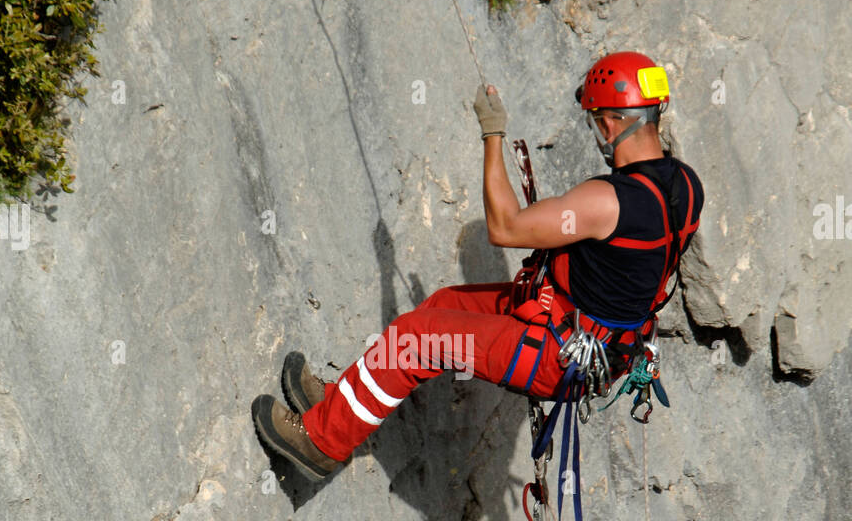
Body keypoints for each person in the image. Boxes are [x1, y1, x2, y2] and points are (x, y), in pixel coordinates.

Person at [252, 52, 704, 481]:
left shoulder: (607, 200)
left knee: (415, 336)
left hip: (559, 352)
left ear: (610, 124)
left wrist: (492, 134)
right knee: (445, 304)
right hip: (591, 336)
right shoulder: (687, 186)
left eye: (594, 122)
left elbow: (505, 228)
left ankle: (321, 442)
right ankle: (340, 405)